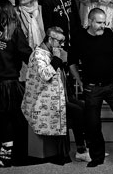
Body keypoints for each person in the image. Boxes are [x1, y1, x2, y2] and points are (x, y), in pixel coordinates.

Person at [69, 8, 113, 168]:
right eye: (99, 23)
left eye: (104, 22)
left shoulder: (108, 34)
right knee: (93, 124)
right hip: (91, 88)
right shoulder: (79, 37)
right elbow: (71, 62)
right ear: (90, 21)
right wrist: (79, 81)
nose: (103, 26)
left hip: (111, 85)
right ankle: (97, 156)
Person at [0, 0, 31, 169]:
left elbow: (28, 55)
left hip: (8, 83)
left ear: (4, 13)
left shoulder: (16, 32)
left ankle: (6, 158)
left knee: (7, 122)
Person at [21, 26, 71, 165]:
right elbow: (45, 75)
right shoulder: (38, 55)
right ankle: (77, 151)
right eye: (59, 42)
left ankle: (76, 150)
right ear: (50, 39)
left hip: (55, 100)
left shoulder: (50, 53)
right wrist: (56, 58)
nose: (61, 45)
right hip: (40, 102)